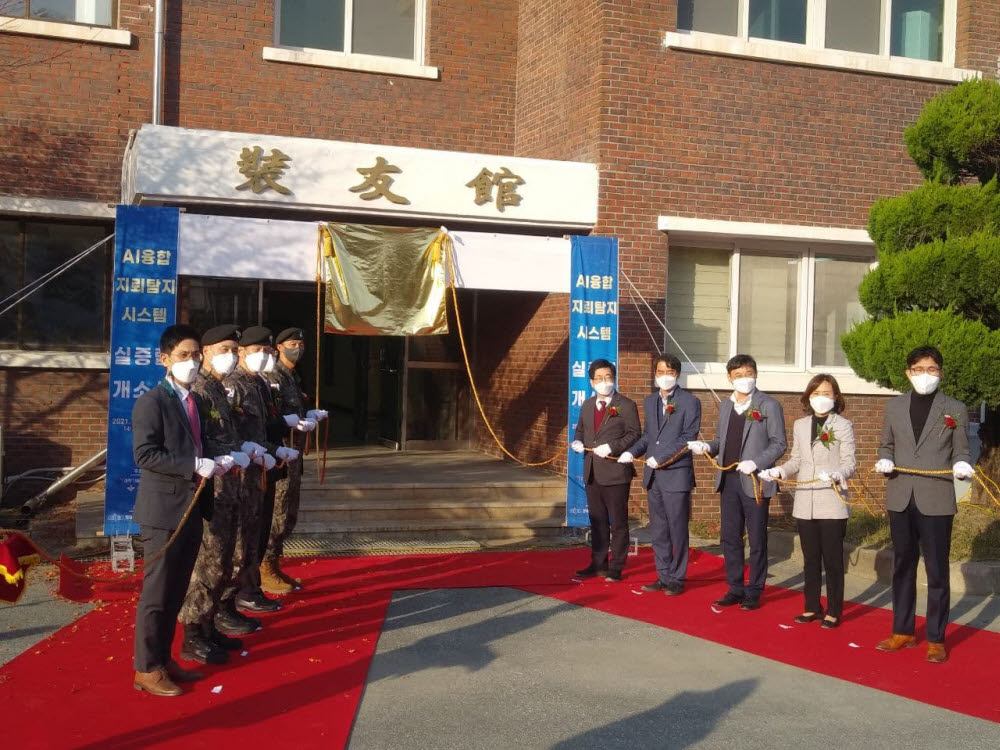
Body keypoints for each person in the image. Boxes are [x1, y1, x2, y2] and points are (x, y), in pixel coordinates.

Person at [132, 324, 230, 696]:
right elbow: (145, 454)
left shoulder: (193, 400)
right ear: (164, 360)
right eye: (183, 356)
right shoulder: (152, 402)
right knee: (157, 593)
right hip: (163, 511)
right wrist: (191, 464)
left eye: (195, 355)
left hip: (190, 507)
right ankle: (146, 669)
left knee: (175, 592)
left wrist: (214, 461)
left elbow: (198, 445)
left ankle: (162, 659)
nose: (191, 362)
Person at [873, 346, 972, 663]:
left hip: (937, 497)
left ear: (940, 373)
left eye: (931, 369)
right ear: (908, 372)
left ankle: (936, 637)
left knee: (937, 570)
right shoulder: (894, 407)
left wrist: (961, 466)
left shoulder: (954, 409)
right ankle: (902, 630)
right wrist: (885, 458)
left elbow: (961, 450)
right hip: (901, 495)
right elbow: (886, 443)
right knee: (902, 565)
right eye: (918, 369)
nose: (925, 374)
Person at [177, 324, 255, 665]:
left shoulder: (219, 389)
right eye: (224, 349)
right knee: (206, 562)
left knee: (222, 559)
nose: (231, 356)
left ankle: (209, 624)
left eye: (235, 351)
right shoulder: (198, 390)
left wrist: (244, 449)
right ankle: (192, 632)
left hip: (230, 486)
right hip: (211, 490)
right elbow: (196, 440)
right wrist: (218, 457)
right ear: (206, 351)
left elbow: (227, 433)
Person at [688, 354, 786, 610]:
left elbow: (779, 443)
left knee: (756, 538)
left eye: (749, 374)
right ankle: (735, 587)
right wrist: (706, 446)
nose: (745, 379)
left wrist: (757, 462)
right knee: (730, 537)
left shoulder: (768, 405)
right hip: (729, 480)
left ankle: (755, 589)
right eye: (739, 375)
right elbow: (721, 440)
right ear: (730, 378)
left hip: (754, 481)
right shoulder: (726, 406)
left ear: (756, 374)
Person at [759, 374, 855, 628]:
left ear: (835, 396)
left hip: (831, 499)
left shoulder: (842, 425)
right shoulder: (801, 425)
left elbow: (849, 462)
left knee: (833, 560)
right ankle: (812, 607)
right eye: (816, 393)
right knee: (810, 558)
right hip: (806, 501)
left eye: (826, 393)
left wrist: (838, 474)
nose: (821, 398)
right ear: (807, 397)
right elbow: (797, 459)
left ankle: (834, 609)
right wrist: (779, 471)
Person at [618, 353, 701, 595]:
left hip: (676, 473)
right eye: (660, 372)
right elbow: (647, 435)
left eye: (670, 372)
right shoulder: (650, 401)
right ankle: (663, 575)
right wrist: (631, 452)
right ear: (655, 374)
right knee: (658, 529)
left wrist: (661, 457)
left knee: (677, 528)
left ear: (677, 374)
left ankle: (677, 577)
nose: (665, 377)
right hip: (653, 476)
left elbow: (688, 437)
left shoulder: (690, 402)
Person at [221, 326, 282, 617]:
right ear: (242, 352)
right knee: (242, 538)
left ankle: (251, 587)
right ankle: (238, 594)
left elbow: (263, 426)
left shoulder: (258, 383)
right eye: (256, 350)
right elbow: (229, 429)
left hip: (260, 471)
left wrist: (274, 450)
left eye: (267, 351)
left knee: (256, 532)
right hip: (241, 473)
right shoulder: (234, 384)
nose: (263, 356)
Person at [260, 327, 326, 594]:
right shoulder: (271, 376)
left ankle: (273, 563)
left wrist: (310, 415)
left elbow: (294, 410)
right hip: (280, 455)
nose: (297, 348)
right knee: (277, 514)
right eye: (291, 343)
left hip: (295, 455)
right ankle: (264, 566)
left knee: (288, 516)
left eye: (300, 343)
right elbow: (270, 417)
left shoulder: (292, 376)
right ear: (279, 347)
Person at [571, 359, 640, 582]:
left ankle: (617, 566)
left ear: (614, 378)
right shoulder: (588, 405)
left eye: (608, 377)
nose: (604, 382)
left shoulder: (626, 405)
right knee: (597, 520)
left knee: (618, 521)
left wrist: (612, 447)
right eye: (599, 378)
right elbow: (580, 430)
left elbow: (634, 434)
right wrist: (578, 442)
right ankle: (598, 563)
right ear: (591, 381)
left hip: (616, 471)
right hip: (592, 470)